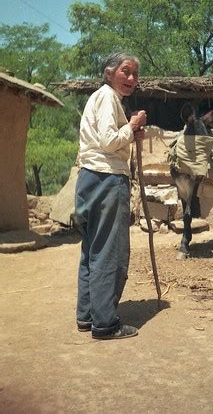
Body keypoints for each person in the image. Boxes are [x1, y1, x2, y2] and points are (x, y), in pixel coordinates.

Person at [74, 52, 147, 340]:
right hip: (107, 179)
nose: (131, 79)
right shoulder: (107, 97)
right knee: (108, 252)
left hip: (90, 178)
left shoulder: (102, 98)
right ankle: (105, 323)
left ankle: (87, 315)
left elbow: (109, 139)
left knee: (91, 249)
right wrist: (131, 125)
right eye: (125, 71)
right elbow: (108, 142)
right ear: (109, 73)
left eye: (135, 74)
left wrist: (129, 132)